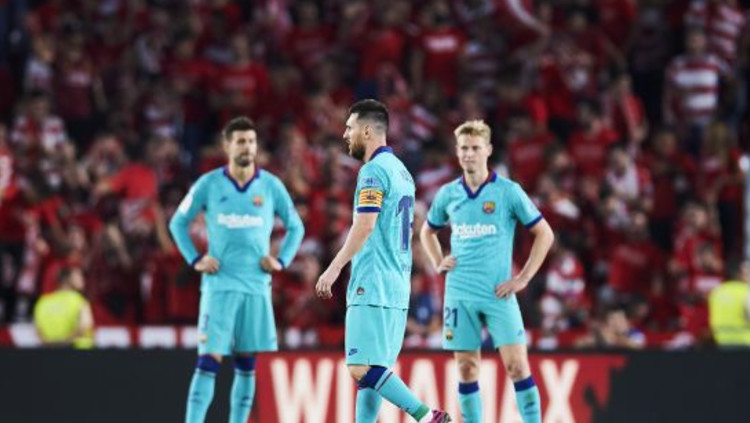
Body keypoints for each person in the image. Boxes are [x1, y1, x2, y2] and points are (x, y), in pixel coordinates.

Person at [315, 99, 451, 423]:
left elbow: (365, 224)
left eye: (349, 128)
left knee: (360, 367)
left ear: (366, 131)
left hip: (372, 282)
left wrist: (334, 268)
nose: (345, 135)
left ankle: (426, 416)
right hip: (397, 285)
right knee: (372, 376)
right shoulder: (403, 173)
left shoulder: (373, 171)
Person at [169, 116, 304, 423]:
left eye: (252, 141)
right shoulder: (208, 184)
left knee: (247, 364)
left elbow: (296, 226)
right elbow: (177, 222)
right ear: (227, 146)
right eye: (241, 141)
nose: (247, 147)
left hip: (256, 287)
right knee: (208, 361)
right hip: (220, 285)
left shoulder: (271, 185)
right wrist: (195, 259)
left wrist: (281, 260)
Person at [419, 120, 554, 423]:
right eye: (464, 148)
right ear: (457, 151)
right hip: (459, 293)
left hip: (498, 293)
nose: (469, 154)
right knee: (466, 368)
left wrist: (523, 278)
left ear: (488, 150)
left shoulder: (508, 192)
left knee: (517, 366)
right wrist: (438, 260)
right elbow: (427, 231)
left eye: (475, 148)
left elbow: (545, 233)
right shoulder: (448, 194)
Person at [33, 266, 94, 349]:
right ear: (68, 280)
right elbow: (85, 326)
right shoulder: (79, 301)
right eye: (78, 277)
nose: (83, 280)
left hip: (50, 351)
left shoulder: (43, 301)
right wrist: (65, 342)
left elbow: (38, 331)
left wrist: (52, 344)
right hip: (79, 351)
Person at [708, 259, 750, 347]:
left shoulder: (716, 291)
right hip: (745, 343)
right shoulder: (746, 291)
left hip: (722, 341)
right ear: (740, 274)